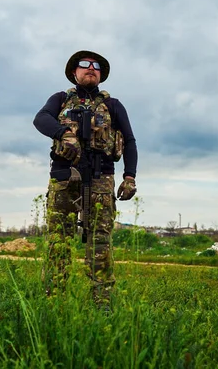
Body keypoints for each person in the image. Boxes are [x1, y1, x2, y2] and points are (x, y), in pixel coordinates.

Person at [33, 50, 138, 302]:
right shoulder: (59, 99)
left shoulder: (113, 105)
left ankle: (102, 302)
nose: (91, 68)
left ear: (101, 75)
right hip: (64, 177)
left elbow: (131, 141)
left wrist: (130, 176)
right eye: (85, 64)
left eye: (96, 66)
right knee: (59, 240)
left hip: (102, 178)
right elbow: (40, 119)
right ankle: (53, 299)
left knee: (100, 241)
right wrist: (62, 134)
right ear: (74, 72)